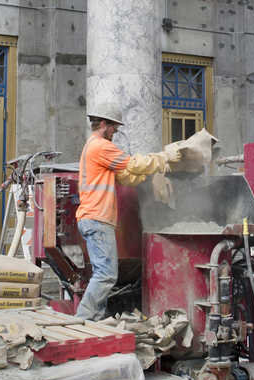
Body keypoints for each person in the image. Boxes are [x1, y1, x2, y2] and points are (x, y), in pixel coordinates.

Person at [75, 103, 178, 321]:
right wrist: (164, 159)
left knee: (102, 274)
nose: (115, 131)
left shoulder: (92, 147)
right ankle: (82, 319)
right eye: (114, 126)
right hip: (97, 218)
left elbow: (126, 176)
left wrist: (148, 175)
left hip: (92, 218)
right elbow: (133, 164)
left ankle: (95, 320)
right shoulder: (101, 146)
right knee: (106, 275)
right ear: (103, 124)